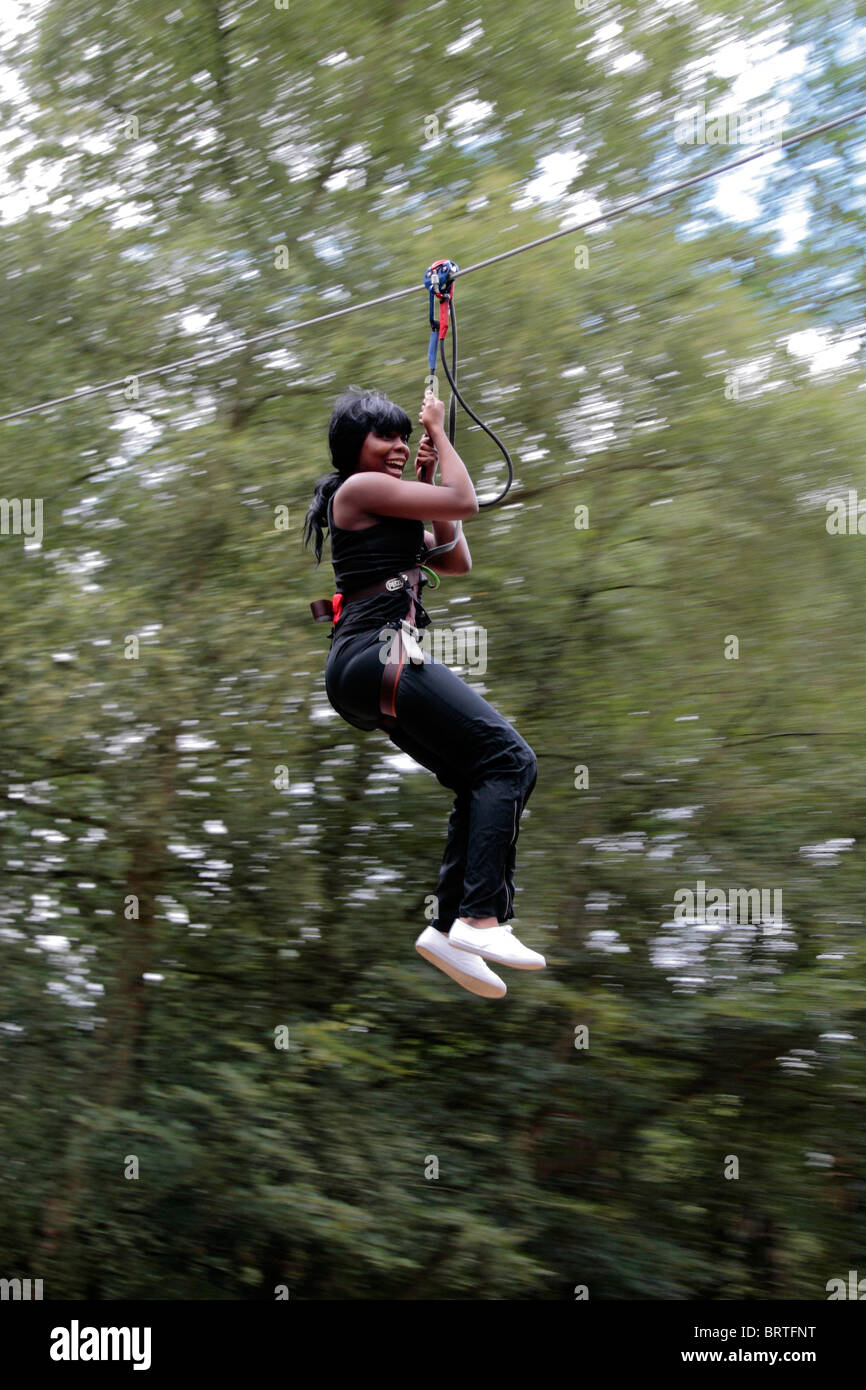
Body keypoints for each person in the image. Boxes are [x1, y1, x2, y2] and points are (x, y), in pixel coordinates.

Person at [303, 385, 543, 999]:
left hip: (366, 665)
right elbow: (466, 501)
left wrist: (435, 464)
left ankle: (446, 929)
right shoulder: (357, 491)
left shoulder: (386, 501)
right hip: (373, 654)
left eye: (405, 438)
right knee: (510, 759)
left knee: (480, 776)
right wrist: (442, 434)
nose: (399, 447)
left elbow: (455, 556)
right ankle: (481, 917)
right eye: (387, 436)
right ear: (353, 447)